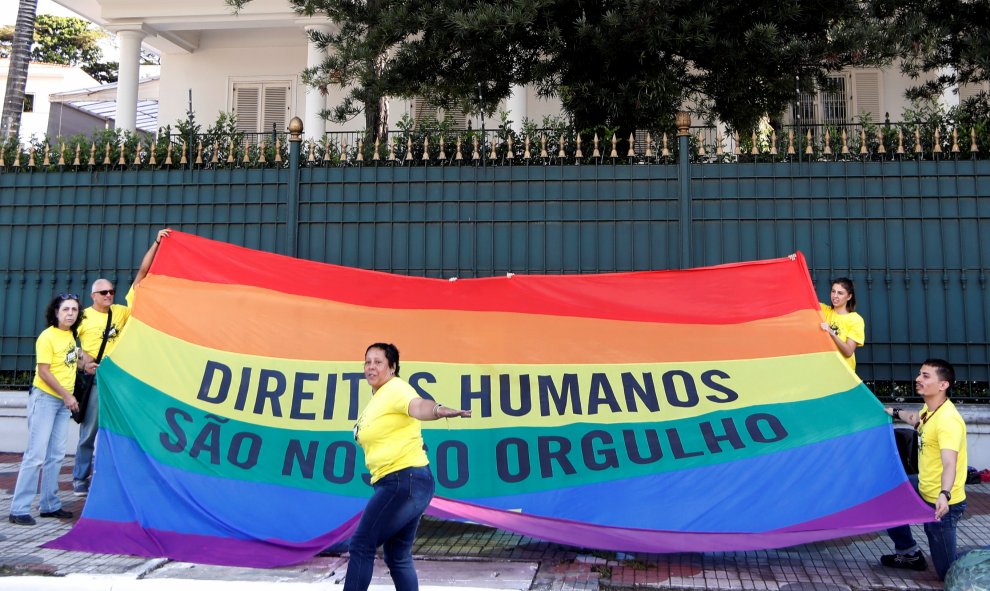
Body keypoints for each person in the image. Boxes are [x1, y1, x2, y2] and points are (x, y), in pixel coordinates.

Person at [344, 343, 471, 591]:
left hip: (403, 481)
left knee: (361, 544)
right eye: (367, 362)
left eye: (378, 362)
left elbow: (417, 406)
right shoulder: (378, 399)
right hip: (410, 483)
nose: (371, 367)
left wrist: (438, 410)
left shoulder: (396, 389)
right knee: (397, 556)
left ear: (392, 368)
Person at [71, 228, 171, 496]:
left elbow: (142, 274)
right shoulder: (81, 317)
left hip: (119, 376)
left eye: (111, 292)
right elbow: (66, 346)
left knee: (122, 427)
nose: (108, 296)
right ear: (93, 295)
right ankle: (80, 478)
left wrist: (157, 243)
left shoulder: (122, 312)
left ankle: (114, 475)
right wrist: (82, 360)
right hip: (96, 378)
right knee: (90, 428)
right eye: (103, 292)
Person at [882, 358, 968, 580]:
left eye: (925, 376)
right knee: (887, 494)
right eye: (920, 374)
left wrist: (944, 495)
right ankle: (908, 553)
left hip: (943, 502)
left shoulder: (948, 421)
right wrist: (891, 411)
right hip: (923, 487)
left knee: (948, 574)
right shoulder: (929, 411)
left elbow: (950, 463)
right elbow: (914, 419)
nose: (918, 379)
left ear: (943, 385)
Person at [8, 294, 87, 525]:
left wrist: (87, 364)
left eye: (74, 309)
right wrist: (67, 396)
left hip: (63, 403)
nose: (70, 313)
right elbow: (44, 372)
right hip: (46, 400)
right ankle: (19, 509)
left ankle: (50, 504)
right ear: (56, 312)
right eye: (65, 309)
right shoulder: (47, 337)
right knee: (36, 455)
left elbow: (70, 362)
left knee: (56, 455)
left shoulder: (71, 337)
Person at [819, 277, 865, 371]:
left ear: (849, 296)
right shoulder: (823, 310)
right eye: (833, 291)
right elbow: (802, 297)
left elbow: (848, 352)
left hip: (844, 374)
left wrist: (832, 333)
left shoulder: (855, 320)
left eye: (840, 293)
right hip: (823, 370)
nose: (835, 296)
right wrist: (794, 263)